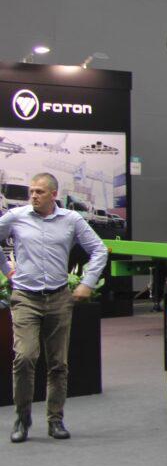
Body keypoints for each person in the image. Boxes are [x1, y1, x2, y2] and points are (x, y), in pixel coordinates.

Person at [0, 173, 108, 443]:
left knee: (58, 363)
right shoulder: (16, 217)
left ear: (53, 194)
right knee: (24, 357)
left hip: (59, 298)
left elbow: (99, 250)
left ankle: (55, 420)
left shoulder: (71, 220)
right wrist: (7, 270)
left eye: (39, 192)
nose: (33, 196)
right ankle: (22, 419)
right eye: (31, 191)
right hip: (25, 298)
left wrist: (87, 283)